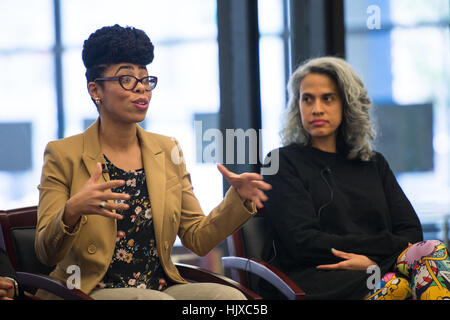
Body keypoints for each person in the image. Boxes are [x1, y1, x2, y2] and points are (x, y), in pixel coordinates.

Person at [35, 24, 271, 300]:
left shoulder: (167, 150)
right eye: (126, 79)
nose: (142, 89)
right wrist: (73, 210)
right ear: (95, 90)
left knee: (231, 299)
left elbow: (198, 238)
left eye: (146, 80)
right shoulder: (62, 153)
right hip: (86, 291)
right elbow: (45, 251)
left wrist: (236, 200)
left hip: (160, 288)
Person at [261, 56, 450, 300]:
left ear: (347, 104)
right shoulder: (280, 162)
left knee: (433, 252)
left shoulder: (373, 163)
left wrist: (370, 261)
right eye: (307, 99)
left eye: (327, 98)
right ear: (297, 105)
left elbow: (412, 234)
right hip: (319, 275)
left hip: (376, 268)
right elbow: (303, 242)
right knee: (397, 286)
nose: (316, 108)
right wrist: (381, 254)